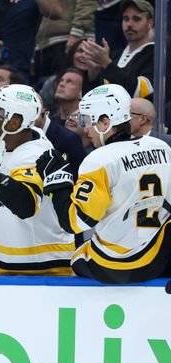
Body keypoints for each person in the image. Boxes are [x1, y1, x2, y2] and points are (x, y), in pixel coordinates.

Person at [44, 83, 171, 282]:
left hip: (120, 265)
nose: (86, 129)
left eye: (88, 121)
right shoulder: (161, 147)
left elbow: (77, 222)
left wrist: (58, 183)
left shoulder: (99, 159)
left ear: (105, 122)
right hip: (161, 259)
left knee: (76, 258)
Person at [0, 84, 74, 275]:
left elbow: (25, 204)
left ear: (15, 122)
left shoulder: (36, 155)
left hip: (41, 268)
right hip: (11, 263)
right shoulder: (5, 144)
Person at [80, 0, 157, 98]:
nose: (129, 24)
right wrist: (93, 73)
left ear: (150, 23)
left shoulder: (156, 55)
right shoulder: (114, 55)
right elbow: (90, 100)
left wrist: (107, 64)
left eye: (136, 19)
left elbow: (141, 93)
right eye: (126, 19)